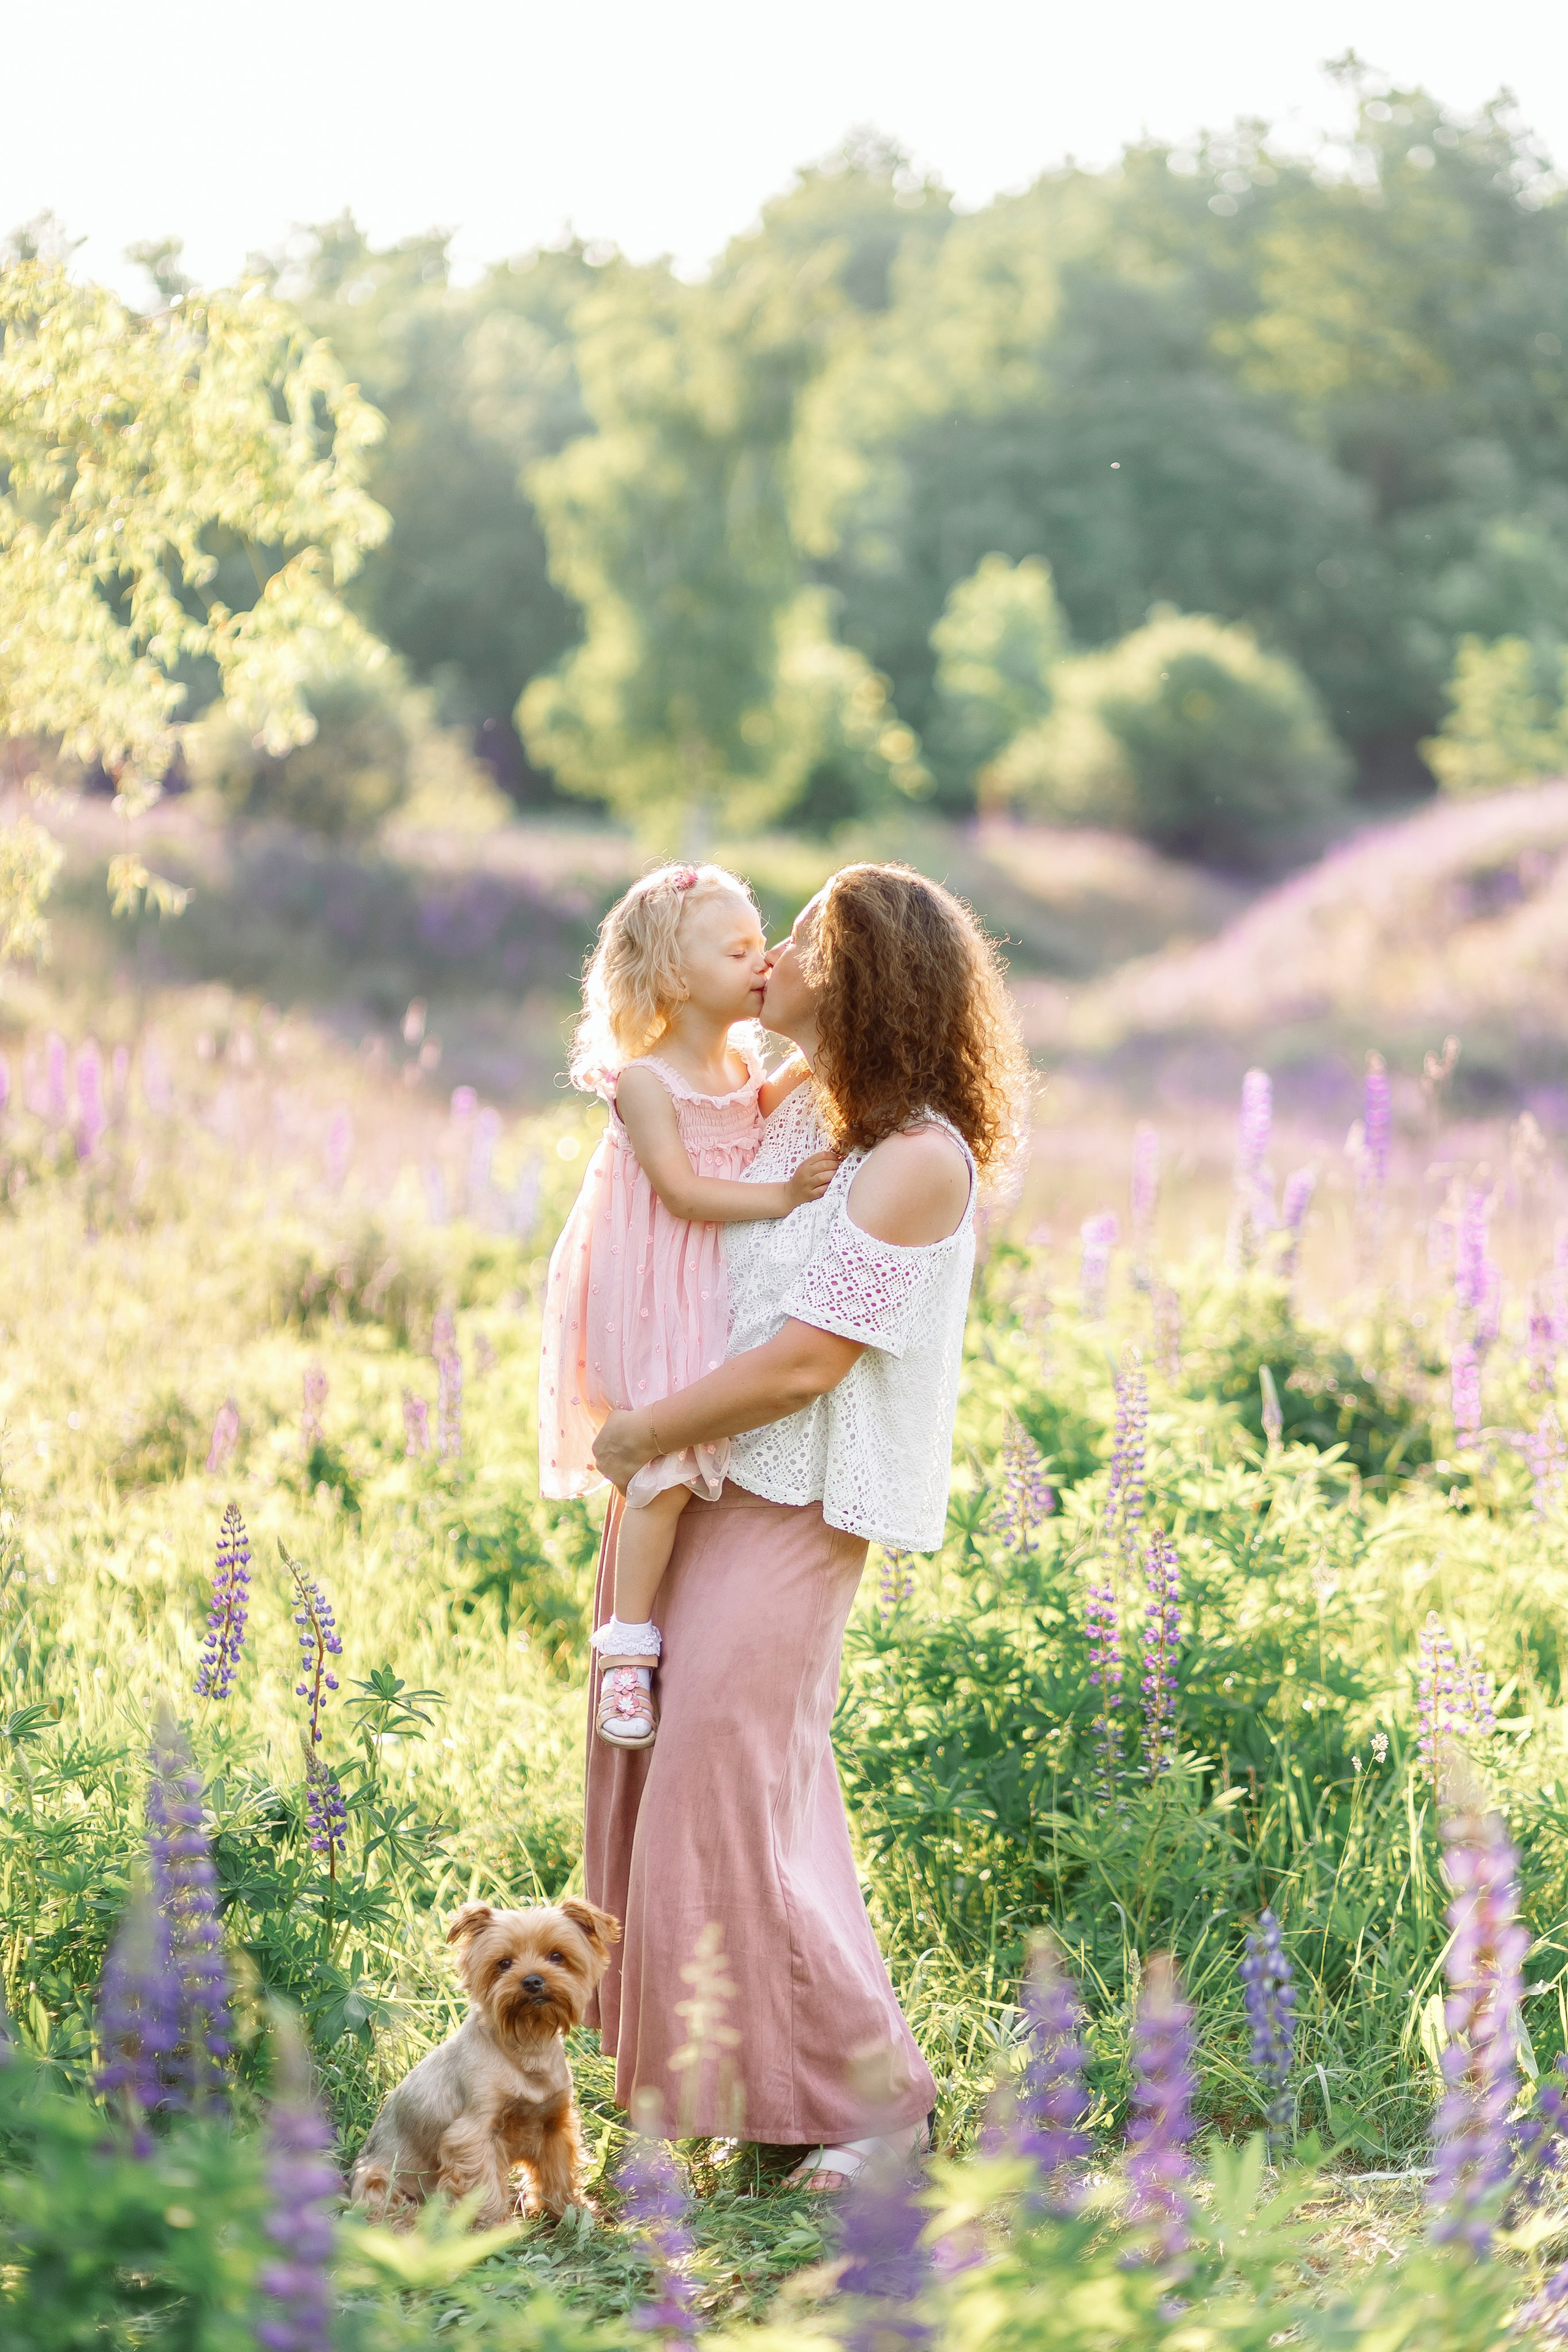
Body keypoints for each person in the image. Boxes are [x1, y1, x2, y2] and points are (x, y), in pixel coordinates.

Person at [586, 862, 1028, 2190]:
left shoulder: (913, 1162)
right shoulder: (797, 1121)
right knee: (699, 1780)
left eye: (796, 939)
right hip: (700, 1488)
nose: (768, 953)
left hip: (793, 1503)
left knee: (721, 1787)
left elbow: (799, 1363)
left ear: (864, 979)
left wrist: (640, 1433)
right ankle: (788, 2109)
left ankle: (872, 2105)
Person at [539, 862, 837, 1749]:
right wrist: (787, 1196)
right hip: (654, 1293)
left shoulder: (740, 1060)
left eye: (764, 941)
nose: (764, 958)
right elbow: (683, 1192)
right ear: (675, 976)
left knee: (708, 1443)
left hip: (715, 1283)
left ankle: (678, 1620)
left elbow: (765, 1102)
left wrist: (831, 1053)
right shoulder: (646, 1081)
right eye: (739, 948)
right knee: (663, 1472)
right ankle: (626, 1654)